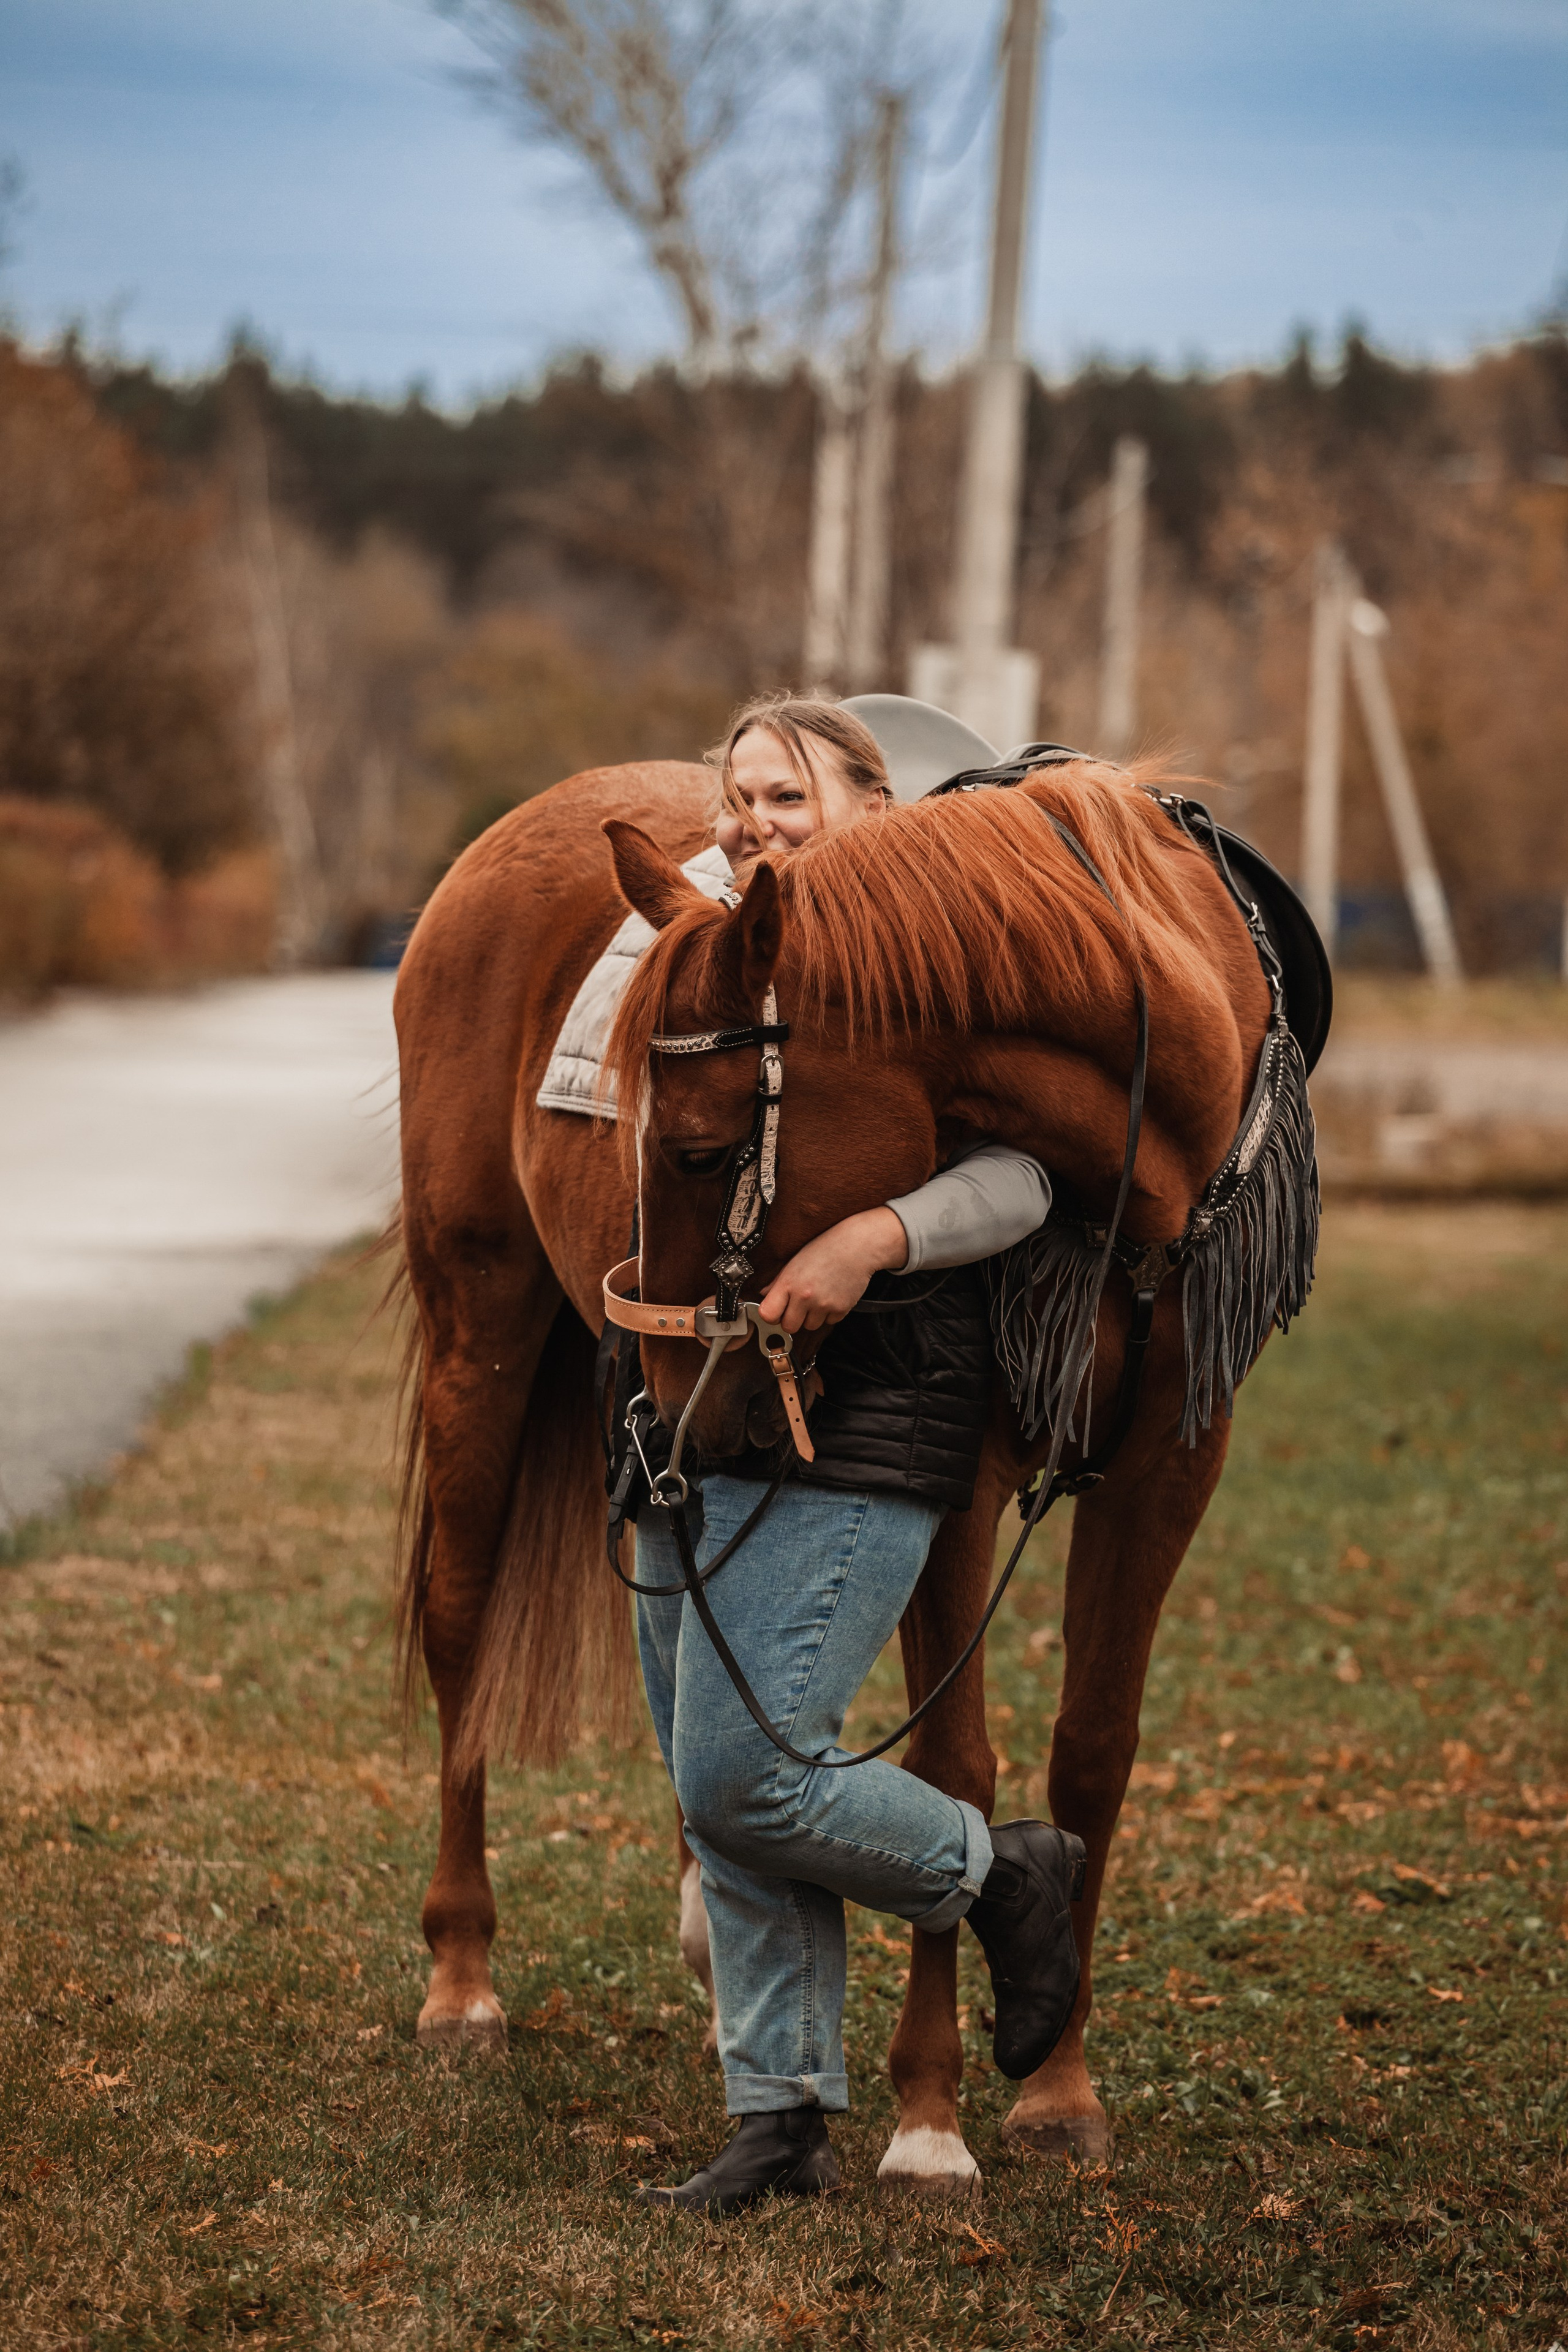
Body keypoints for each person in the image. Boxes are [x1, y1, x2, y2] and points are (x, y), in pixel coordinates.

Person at [629, 694, 1085, 2214]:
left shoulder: (928, 956)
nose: (755, 820)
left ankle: (1001, 1872)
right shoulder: (701, 948)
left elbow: (1033, 1168)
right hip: (685, 1405)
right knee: (712, 1772)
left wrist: (874, 1235)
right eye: (739, 794)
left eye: (790, 794)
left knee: (744, 1773)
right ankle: (779, 2120)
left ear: (871, 806)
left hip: (865, 1409)